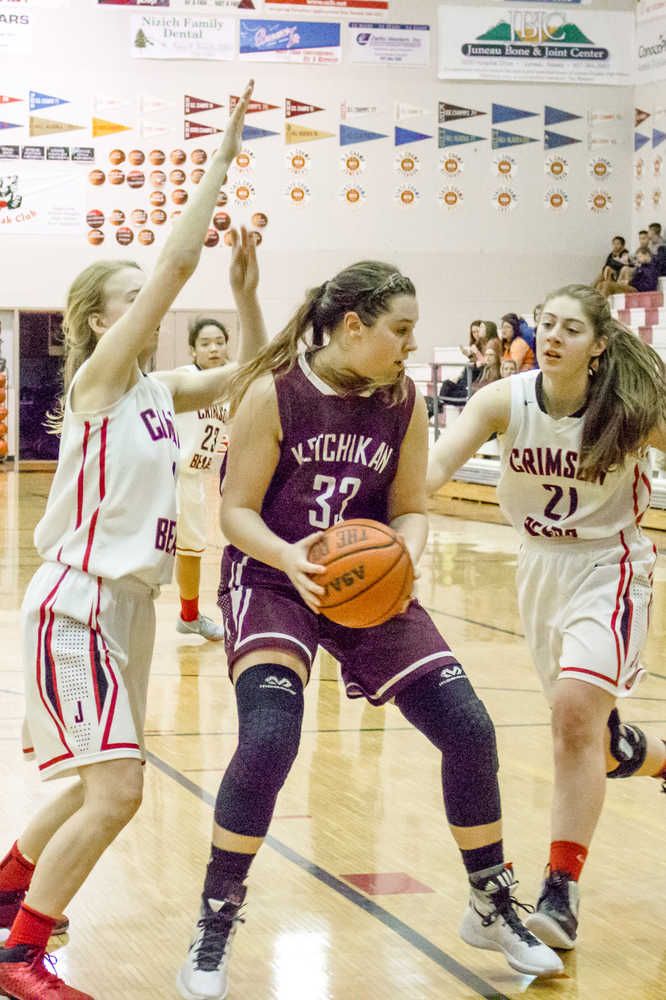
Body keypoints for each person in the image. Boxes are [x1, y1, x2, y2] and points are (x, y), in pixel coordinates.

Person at [176, 260, 563, 1000]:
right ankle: (216, 915)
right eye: (401, 329)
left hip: (363, 582)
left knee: (469, 729)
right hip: (273, 576)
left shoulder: (403, 399)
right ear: (352, 327)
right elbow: (235, 511)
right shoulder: (274, 391)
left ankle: (489, 902)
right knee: (269, 737)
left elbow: (411, 505)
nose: (411, 344)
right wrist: (290, 557)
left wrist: (406, 553)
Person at [0, 80, 258, 1000]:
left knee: (90, 783)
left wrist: (248, 294)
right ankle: (20, 959)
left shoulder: (158, 390)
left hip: (127, 609)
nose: (146, 302)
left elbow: (252, 373)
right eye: (131, 296)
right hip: (77, 606)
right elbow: (175, 268)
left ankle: (7, 893)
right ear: (104, 320)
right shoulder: (101, 383)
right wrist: (221, 158)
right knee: (117, 791)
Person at [427, 283, 666, 951]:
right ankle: (653, 759)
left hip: (609, 567)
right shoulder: (503, 400)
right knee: (595, 740)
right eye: (547, 325)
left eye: (570, 328)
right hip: (538, 569)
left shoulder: (629, 408)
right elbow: (436, 467)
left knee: (573, 714)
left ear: (598, 345)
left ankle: (561, 891)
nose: (554, 337)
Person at [174, 236, 266, 642]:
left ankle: (189, 616)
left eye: (219, 342)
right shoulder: (185, 379)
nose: (213, 348)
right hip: (168, 475)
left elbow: (254, 367)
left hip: (195, 479)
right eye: (205, 343)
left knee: (191, 549)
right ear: (192, 351)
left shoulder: (229, 388)